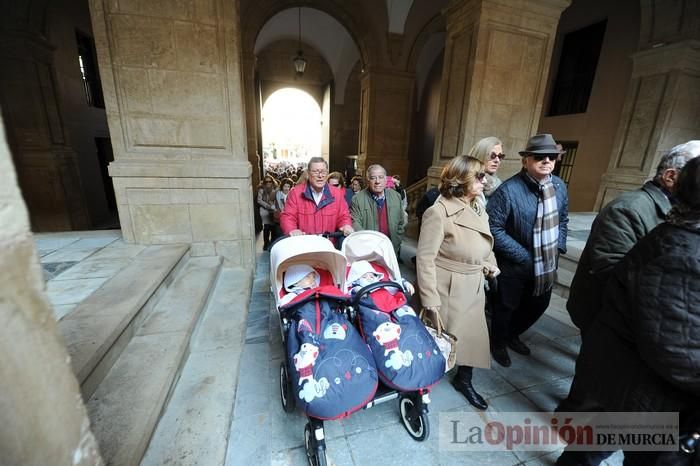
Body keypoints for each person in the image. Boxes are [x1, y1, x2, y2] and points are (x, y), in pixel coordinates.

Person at [555, 156, 700, 466]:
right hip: (641, 381)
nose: (551, 162)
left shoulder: (682, 238)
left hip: (642, 380)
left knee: (598, 437)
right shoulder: (645, 222)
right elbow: (608, 270)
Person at [567, 140, 700, 334]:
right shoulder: (627, 209)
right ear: (670, 176)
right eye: (694, 175)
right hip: (610, 316)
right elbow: (610, 272)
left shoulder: (680, 212)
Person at [417, 155, 500, 410]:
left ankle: (465, 380)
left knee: (474, 338)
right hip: (448, 287)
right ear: (461, 179)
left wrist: (491, 264)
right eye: (478, 175)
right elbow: (425, 258)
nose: (483, 179)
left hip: (474, 284)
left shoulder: (477, 206)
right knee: (439, 341)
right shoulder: (438, 212)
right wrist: (430, 300)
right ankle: (419, 387)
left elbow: (484, 243)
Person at [486, 133, 569, 367]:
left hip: (547, 263)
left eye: (552, 157)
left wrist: (559, 246)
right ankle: (499, 343)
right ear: (526, 161)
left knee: (538, 305)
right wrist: (523, 256)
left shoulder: (560, 187)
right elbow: (493, 228)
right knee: (506, 307)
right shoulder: (509, 190)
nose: (547, 161)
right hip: (515, 264)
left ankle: (513, 334)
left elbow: (562, 220)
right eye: (540, 156)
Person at [280, 157, 354, 238]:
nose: (320, 175)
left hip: (328, 246)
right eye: (315, 172)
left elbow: (344, 216)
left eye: (323, 172)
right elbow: (288, 216)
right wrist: (291, 229)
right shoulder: (295, 193)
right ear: (308, 173)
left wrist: (346, 225)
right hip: (304, 246)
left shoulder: (337, 194)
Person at [350, 164, 405, 255]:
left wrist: (397, 242)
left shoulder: (396, 196)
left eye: (381, 177)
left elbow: (401, 222)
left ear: (386, 179)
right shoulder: (357, 199)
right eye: (373, 178)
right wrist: (369, 246)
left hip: (390, 249)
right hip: (367, 251)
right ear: (368, 180)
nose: (377, 181)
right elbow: (355, 224)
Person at [468, 136, 505, 205]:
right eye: (492, 155)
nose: (497, 160)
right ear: (481, 155)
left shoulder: (499, 184)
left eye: (500, 156)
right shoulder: (466, 182)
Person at [257, 175, 278, 250]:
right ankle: (266, 243)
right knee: (266, 227)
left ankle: (272, 242)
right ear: (264, 182)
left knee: (273, 228)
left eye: (270, 181)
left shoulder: (275, 189)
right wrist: (267, 206)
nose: (268, 183)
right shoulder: (261, 189)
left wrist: (274, 207)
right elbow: (259, 200)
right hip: (265, 210)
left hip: (273, 210)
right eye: (266, 181)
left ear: (272, 181)